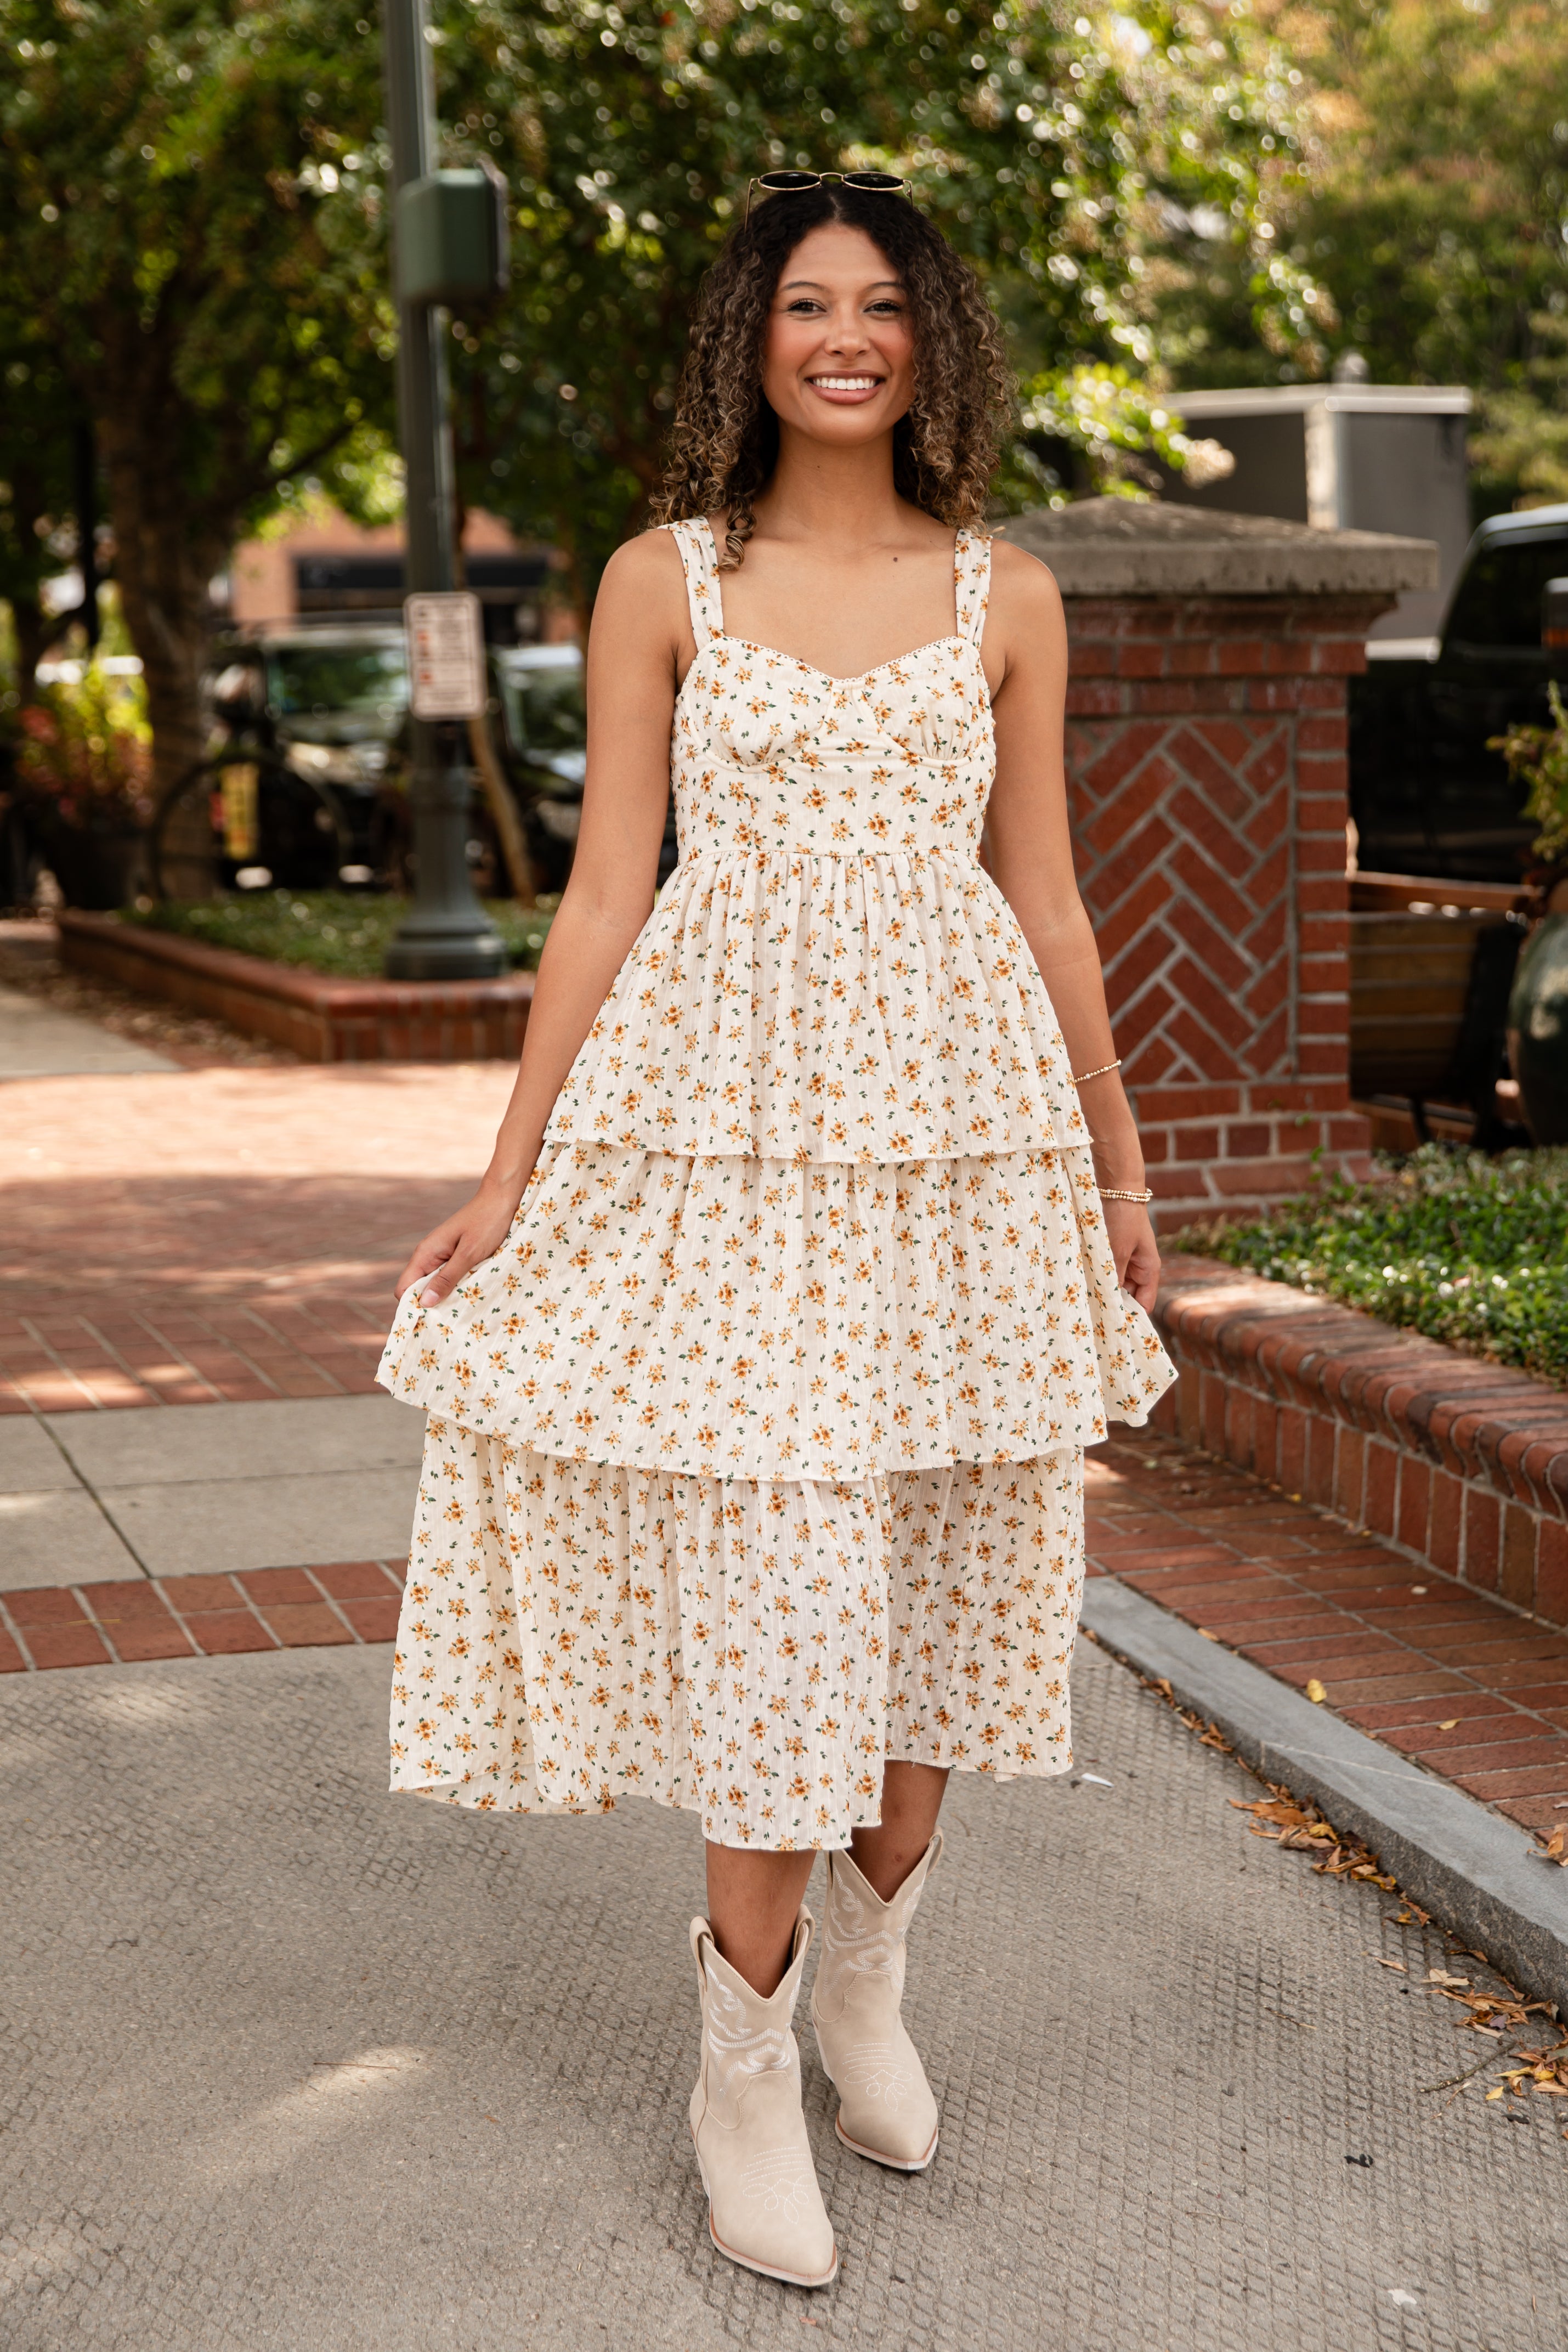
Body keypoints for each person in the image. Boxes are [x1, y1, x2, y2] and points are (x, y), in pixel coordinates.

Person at [381, 172, 1175, 2292]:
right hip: (724, 1147)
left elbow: (1050, 895)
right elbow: (604, 891)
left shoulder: (1004, 592)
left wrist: (1114, 1168)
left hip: (959, 1156)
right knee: (784, 1602)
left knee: (933, 1587)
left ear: (932, 342)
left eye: (883, 304)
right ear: (754, 338)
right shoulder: (667, 582)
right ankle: (737, 2063)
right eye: (805, 303)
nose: (845, 334)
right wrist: (511, 1166)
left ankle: (865, 1985)